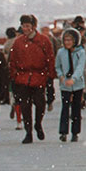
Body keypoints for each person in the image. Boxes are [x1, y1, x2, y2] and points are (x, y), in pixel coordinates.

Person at [9, 14, 54, 143]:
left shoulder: (44, 41)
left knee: (40, 104)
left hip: (38, 77)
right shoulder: (18, 42)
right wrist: (14, 76)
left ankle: (38, 123)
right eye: (23, 26)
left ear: (33, 26)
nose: (25, 28)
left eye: (28, 26)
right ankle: (28, 132)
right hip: (22, 78)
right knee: (25, 106)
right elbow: (13, 61)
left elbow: (50, 59)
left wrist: (50, 76)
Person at [56, 29, 86, 142]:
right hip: (65, 84)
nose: (67, 42)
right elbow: (57, 66)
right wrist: (61, 77)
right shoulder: (61, 52)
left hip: (77, 84)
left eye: (70, 40)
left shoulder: (81, 52)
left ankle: (75, 132)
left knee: (76, 108)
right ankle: (63, 132)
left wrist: (74, 79)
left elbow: (80, 67)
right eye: (65, 40)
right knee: (65, 107)